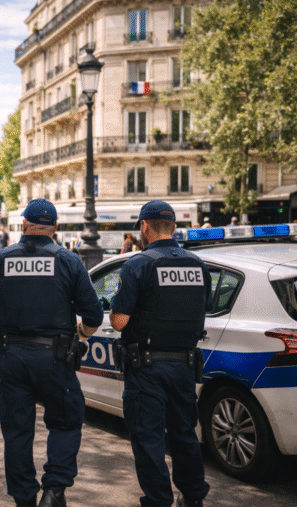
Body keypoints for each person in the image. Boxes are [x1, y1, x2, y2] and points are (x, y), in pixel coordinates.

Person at [0, 198, 103, 507]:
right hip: (57, 357)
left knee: (16, 432)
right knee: (66, 423)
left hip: (11, 358)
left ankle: (24, 499)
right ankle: (54, 490)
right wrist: (78, 336)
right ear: (54, 229)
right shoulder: (68, 261)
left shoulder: (0, 259)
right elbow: (93, 317)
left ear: (24, 225)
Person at [109, 200, 211, 507]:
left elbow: (119, 322)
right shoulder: (198, 264)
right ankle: (193, 498)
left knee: (149, 441)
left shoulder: (138, 264)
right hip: (184, 366)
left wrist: (120, 312)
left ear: (144, 226)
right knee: (184, 436)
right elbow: (201, 310)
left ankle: (158, 501)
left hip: (147, 370)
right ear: (175, 228)